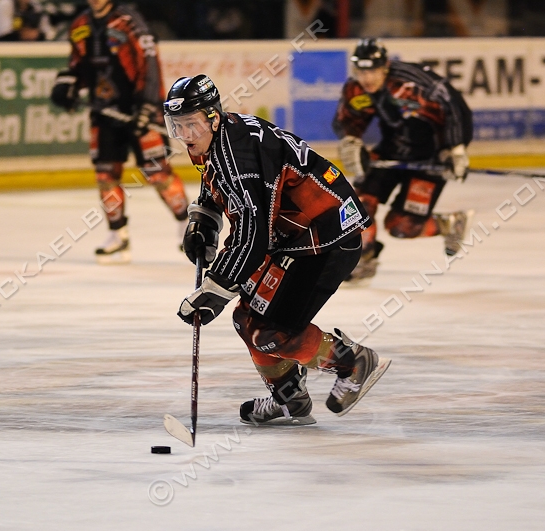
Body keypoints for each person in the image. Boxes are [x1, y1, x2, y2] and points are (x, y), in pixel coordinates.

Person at [164, 74, 391, 425]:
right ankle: (291, 399)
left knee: (271, 331)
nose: (186, 136)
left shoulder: (236, 153)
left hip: (325, 239)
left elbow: (253, 235)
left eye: (191, 124)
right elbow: (220, 187)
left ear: (212, 116)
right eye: (177, 126)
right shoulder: (221, 137)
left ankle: (353, 361)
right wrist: (204, 219)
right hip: (296, 237)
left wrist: (215, 289)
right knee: (249, 320)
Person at [49, 0, 189, 264]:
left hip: (140, 110)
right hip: (104, 113)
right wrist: (67, 83)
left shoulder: (130, 22)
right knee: (105, 174)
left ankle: (187, 226)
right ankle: (117, 236)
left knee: (157, 172)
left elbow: (150, 66)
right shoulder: (80, 25)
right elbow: (77, 65)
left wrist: (148, 107)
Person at [332, 38, 474, 283]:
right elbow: (348, 119)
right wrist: (351, 140)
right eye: (362, 71)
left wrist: (455, 148)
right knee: (360, 206)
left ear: (385, 66)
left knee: (402, 227)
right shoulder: (357, 89)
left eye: (373, 70)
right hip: (389, 153)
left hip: (430, 158)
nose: (367, 78)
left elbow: (454, 107)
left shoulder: (413, 83)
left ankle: (449, 224)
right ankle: (363, 259)